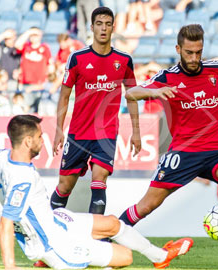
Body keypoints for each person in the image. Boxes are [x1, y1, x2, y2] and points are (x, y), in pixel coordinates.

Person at [0, 112, 193, 269]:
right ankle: (50, 263)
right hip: (53, 242)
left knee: (111, 222)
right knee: (125, 257)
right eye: (40, 136)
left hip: (54, 220)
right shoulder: (23, 178)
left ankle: (161, 258)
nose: (44, 140)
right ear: (28, 141)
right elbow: (5, 224)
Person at [117, 24, 218, 260]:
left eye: (198, 52)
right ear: (178, 49)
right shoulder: (167, 77)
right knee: (146, 206)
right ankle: (108, 237)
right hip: (183, 154)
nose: (195, 58)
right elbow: (131, 93)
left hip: (216, 153)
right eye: (189, 52)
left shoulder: (217, 70)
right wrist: (155, 92)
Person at [50, 7, 142, 215]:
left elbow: (133, 95)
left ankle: (95, 238)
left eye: (107, 24)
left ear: (112, 28)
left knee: (99, 180)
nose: (103, 28)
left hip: (106, 133)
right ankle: (46, 230)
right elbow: (64, 96)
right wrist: (58, 130)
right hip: (78, 133)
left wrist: (136, 132)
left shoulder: (124, 60)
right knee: (65, 186)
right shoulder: (77, 58)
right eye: (99, 24)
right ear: (92, 27)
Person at [15, 27, 54, 113]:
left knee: (40, 111)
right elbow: (17, 44)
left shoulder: (45, 48)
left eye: (35, 35)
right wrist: (28, 32)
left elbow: (50, 66)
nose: (33, 37)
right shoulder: (26, 47)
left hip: (40, 84)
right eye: (32, 35)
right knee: (27, 110)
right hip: (27, 84)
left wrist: (48, 81)